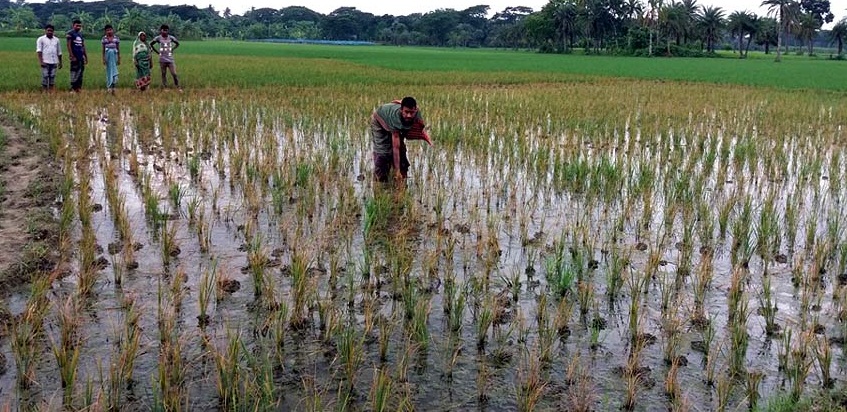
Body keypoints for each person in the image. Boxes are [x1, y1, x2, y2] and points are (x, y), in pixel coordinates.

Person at [370, 97, 432, 184]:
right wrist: (397, 171)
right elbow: (396, 147)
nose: (409, 115)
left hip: (394, 122)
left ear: (415, 110)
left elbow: (399, 101)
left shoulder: (417, 111)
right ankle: (380, 180)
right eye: (406, 112)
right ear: (401, 110)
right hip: (380, 119)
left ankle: (402, 178)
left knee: (402, 150)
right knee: (383, 152)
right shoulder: (395, 118)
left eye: (411, 112)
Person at [150, 24, 181, 90]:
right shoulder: (158, 38)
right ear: (161, 30)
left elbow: (177, 43)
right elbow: (151, 44)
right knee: (163, 73)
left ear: (168, 31)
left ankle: (178, 86)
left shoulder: (171, 38)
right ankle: (165, 87)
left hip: (170, 59)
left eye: (166, 30)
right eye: (163, 30)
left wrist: (172, 49)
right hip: (162, 59)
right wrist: (157, 52)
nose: (165, 32)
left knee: (174, 74)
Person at [36, 24, 62, 92]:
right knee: (45, 75)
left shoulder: (56, 40)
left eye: (51, 31)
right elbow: (39, 51)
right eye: (48, 30)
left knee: (52, 76)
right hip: (45, 61)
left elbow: (59, 52)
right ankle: (44, 90)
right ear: (45, 31)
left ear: (53, 31)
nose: (50, 32)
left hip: (54, 61)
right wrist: (41, 61)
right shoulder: (41, 39)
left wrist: (60, 62)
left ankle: (51, 90)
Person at [66, 19, 87, 92]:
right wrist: (72, 56)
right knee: (74, 72)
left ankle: (78, 88)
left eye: (80, 26)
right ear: (73, 25)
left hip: (80, 56)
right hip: (74, 57)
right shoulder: (70, 33)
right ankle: (73, 87)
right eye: (77, 25)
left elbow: (83, 46)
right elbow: (68, 45)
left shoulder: (80, 34)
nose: (78, 27)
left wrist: (85, 56)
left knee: (80, 72)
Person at [101, 24, 120, 93]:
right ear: (105, 31)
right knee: (109, 71)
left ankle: (114, 86)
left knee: (114, 71)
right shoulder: (104, 38)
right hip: (108, 56)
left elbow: (118, 49)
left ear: (113, 30)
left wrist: (119, 58)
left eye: (110, 30)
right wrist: (103, 58)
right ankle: (109, 86)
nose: (109, 31)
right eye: (107, 30)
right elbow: (103, 50)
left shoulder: (116, 38)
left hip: (114, 56)